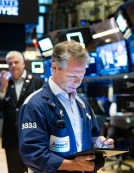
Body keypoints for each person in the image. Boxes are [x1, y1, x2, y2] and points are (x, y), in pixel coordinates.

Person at [18, 40, 114, 172]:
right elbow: (33, 153)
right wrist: (73, 165)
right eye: (72, 75)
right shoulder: (35, 104)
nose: (77, 82)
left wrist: (98, 143)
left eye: (81, 75)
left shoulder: (82, 102)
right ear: (54, 68)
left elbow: (89, 135)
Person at [0, 51, 44, 173]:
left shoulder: (37, 82)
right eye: (10, 63)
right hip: (12, 139)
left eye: (16, 62)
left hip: (33, 137)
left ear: (23, 64)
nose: (13, 65)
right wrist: (2, 90)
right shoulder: (4, 84)